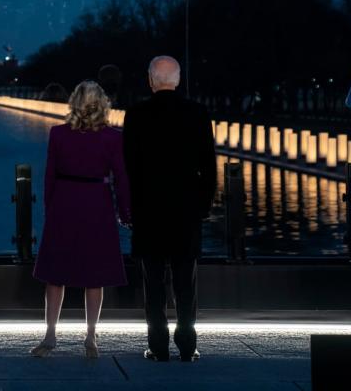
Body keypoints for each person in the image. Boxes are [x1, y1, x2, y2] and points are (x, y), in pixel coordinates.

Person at [122, 56, 216, 363]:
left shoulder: (136, 115)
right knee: (185, 281)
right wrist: (203, 206)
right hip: (185, 210)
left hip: (149, 210)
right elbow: (209, 167)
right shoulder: (198, 113)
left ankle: (158, 345)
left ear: (151, 80)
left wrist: (130, 207)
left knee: (153, 282)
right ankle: (188, 344)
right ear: (178, 80)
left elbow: (129, 168)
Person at [31, 80, 131, 359]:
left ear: (74, 102)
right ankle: (90, 336)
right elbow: (122, 179)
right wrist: (125, 212)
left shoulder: (58, 134)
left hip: (65, 201)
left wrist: (50, 210)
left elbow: (49, 176)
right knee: (94, 275)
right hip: (97, 201)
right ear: (103, 104)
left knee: (55, 274)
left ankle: (50, 335)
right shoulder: (113, 137)